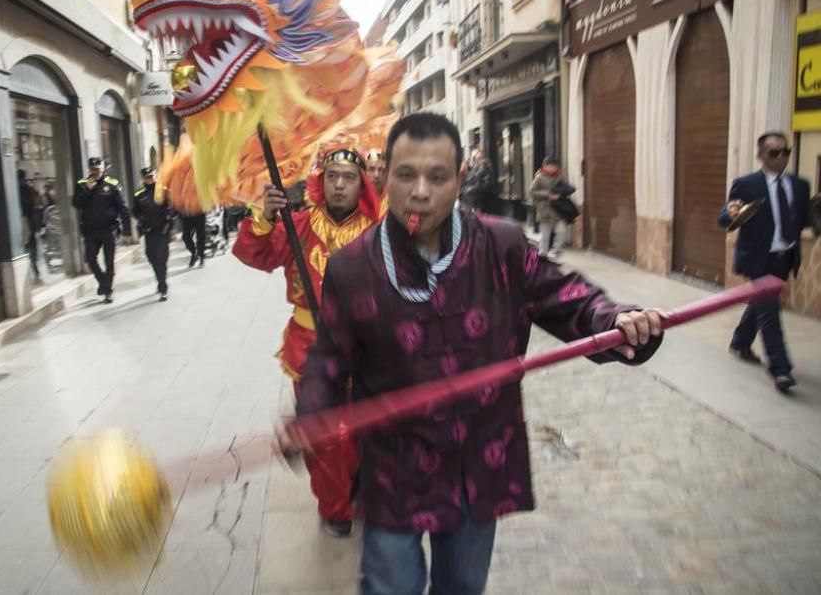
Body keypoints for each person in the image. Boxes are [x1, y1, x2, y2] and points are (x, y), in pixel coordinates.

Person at [282, 113, 664, 594]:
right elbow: (329, 360)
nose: (420, 191)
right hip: (394, 467)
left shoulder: (501, 246)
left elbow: (571, 297)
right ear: (384, 178)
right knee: (388, 586)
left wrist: (616, 320)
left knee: (462, 586)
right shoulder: (352, 268)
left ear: (460, 179)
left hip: (476, 464)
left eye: (437, 177)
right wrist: (312, 414)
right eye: (406, 175)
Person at [234, 148, 380, 538]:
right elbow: (254, 255)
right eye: (332, 176)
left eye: (348, 177)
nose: (339, 184)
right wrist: (265, 216)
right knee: (326, 437)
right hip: (311, 351)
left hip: (368, 352)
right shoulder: (297, 225)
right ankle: (334, 507)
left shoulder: (380, 228)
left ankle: (366, 494)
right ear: (321, 180)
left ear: (361, 183)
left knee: (370, 429)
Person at [718, 131, 810, 392]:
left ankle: (740, 342)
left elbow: (803, 221)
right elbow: (726, 217)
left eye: (785, 152)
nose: (781, 157)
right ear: (761, 156)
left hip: (784, 259)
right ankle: (780, 369)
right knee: (770, 312)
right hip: (758, 259)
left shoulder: (800, 186)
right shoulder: (747, 185)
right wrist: (730, 212)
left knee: (760, 305)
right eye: (774, 153)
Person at [72, 157, 130, 303]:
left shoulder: (113, 183)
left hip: (108, 229)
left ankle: (108, 291)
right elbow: (76, 204)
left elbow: (122, 207)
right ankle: (103, 282)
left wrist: (127, 228)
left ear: (103, 168)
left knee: (109, 261)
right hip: (90, 230)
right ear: (89, 170)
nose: (95, 171)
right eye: (93, 169)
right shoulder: (82, 184)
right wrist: (87, 190)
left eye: (98, 168)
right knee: (90, 259)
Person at [132, 167, 173, 302]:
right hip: (149, 231)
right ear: (143, 178)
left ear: (156, 176)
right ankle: (160, 279)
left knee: (161, 258)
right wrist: (141, 219)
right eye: (147, 177)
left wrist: (168, 217)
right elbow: (135, 211)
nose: (150, 179)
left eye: (152, 176)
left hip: (163, 230)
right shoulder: (139, 194)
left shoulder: (164, 190)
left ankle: (163, 288)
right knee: (151, 257)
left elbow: (173, 207)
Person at [528, 156, 575, 259]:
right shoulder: (539, 177)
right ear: (545, 166)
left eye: (554, 166)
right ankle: (542, 255)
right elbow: (531, 191)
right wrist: (548, 195)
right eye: (550, 166)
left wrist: (561, 193)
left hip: (558, 210)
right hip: (544, 210)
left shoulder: (559, 177)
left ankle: (556, 250)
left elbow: (566, 188)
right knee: (545, 235)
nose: (552, 168)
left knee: (561, 231)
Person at [17, 169, 43, 282]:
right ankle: (34, 270)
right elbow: (36, 202)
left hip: (23, 221)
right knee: (32, 246)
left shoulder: (18, 189)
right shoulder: (28, 189)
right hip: (29, 221)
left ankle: (30, 272)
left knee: (26, 247)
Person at [365, 150, 389, 216]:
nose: (376, 175)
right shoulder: (354, 202)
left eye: (381, 170)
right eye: (371, 169)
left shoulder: (394, 204)